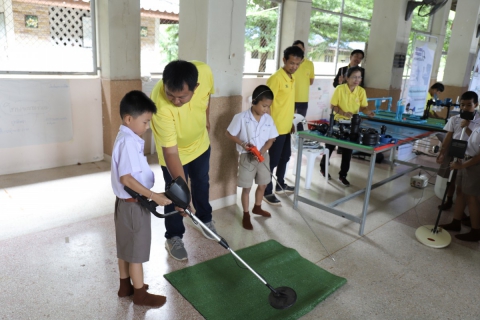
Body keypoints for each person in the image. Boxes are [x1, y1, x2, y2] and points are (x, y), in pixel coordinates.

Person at [150, 60, 216, 261]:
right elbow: (171, 153)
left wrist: (206, 118)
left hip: (200, 145)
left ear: (195, 87)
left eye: (181, 97)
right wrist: (183, 196)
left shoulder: (204, 72)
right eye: (171, 95)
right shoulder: (159, 106)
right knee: (175, 195)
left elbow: (208, 95)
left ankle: (205, 220)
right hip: (174, 153)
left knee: (201, 183)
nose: (175, 101)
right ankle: (174, 237)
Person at [111, 90, 171, 307]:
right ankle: (140, 294)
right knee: (136, 253)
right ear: (129, 119)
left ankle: (125, 286)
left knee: (125, 247)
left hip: (124, 205)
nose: (147, 127)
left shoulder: (126, 137)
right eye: (145, 122)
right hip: (134, 207)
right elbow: (127, 179)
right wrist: (154, 196)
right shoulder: (128, 142)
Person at [226, 85, 278, 230]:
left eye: (268, 107)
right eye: (264, 106)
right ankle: (246, 214)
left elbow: (271, 139)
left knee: (263, 184)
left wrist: (262, 151)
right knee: (247, 188)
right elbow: (229, 134)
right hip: (246, 157)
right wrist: (242, 144)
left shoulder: (268, 119)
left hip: (263, 156)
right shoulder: (241, 118)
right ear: (254, 101)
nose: (265, 109)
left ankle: (257, 207)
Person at [263, 46, 304, 206]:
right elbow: (266, 104)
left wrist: (291, 123)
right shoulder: (276, 78)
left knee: (285, 157)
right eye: (291, 63)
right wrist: (268, 128)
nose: (294, 66)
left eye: (297, 64)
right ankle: (267, 191)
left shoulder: (291, 78)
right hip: (275, 129)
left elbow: (287, 104)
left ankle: (280, 185)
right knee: (272, 161)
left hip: (286, 127)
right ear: (284, 60)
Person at [320, 66, 375, 186]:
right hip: (337, 121)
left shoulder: (361, 91)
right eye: (354, 77)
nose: (357, 80)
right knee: (329, 146)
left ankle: (343, 175)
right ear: (347, 78)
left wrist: (368, 112)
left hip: (352, 124)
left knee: (347, 150)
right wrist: (343, 113)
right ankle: (323, 168)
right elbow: (333, 106)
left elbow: (363, 107)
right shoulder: (340, 89)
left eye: (359, 77)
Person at [440, 92, 480, 242]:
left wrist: (468, 127)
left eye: (469, 105)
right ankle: (456, 221)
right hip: (462, 159)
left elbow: (477, 148)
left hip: (472, 162)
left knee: (472, 197)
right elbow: (451, 136)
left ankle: (476, 230)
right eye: (462, 105)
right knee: (461, 191)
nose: (465, 108)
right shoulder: (456, 119)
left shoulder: (478, 122)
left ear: (476, 105)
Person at [292, 40, 315, 128]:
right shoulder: (291, 64)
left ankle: (299, 140)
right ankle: (290, 140)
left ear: (304, 49)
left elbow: (311, 81)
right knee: (290, 121)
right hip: (291, 97)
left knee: (301, 121)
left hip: (303, 98)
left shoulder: (309, 64)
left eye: (300, 48)